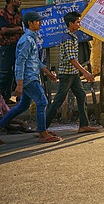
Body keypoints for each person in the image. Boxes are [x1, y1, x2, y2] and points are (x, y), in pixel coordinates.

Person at [0, 11, 61, 143]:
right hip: (28, 78)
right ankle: (42, 133)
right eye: (37, 21)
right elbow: (20, 62)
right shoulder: (27, 40)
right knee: (42, 102)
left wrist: (47, 72)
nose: (40, 23)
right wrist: (20, 83)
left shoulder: (31, 38)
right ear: (30, 23)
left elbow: (35, 60)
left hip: (31, 76)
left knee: (22, 106)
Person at [44, 11, 100, 133]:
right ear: (70, 24)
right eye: (77, 22)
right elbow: (71, 59)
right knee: (59, 99)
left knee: (81, 95)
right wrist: (85, 72)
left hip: (73, 74)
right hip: (67, 74)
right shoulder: (68, 38)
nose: (79, 24)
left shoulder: (72, 36)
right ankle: (42, 128)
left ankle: (84, 125)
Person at [0, 0, 24, 103]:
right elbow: (3, 30)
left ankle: (17, 96)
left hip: (18, 46)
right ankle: (3, 97)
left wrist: (16, 30)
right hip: (6, 46)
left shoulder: (19, 14)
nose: (20, 1)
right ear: (11, 1)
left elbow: (23, 29)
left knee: (18, 71)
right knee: (5, 72)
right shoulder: (2, 14)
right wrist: (17, 29)